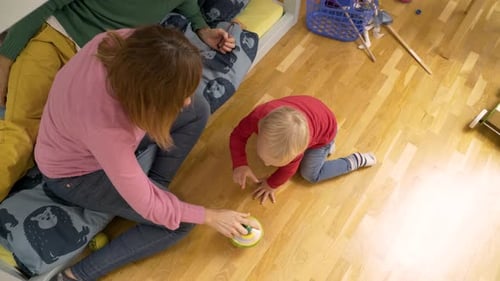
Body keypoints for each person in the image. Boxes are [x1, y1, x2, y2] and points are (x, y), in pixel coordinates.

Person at [33, 25, 255, 281]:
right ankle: (77, 275)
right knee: (178, 224)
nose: (185, 100)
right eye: (178, 95)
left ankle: (155, 185)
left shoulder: (120, 42)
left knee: (198, 108)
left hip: (85, 138)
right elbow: (113, 139)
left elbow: (181, 98)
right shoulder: (109, 129)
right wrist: (210, 216)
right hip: (73, 176)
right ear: (148, 97)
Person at [0, 0, 236, 201]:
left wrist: (202, 28)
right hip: (57, 39)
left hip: (107, 62)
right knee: (22, 134)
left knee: (64, 136)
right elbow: (42, 6)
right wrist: (4, 60)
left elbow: (187, 3)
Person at [229, 95, 377, 204]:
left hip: (324, 134)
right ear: (259, 128)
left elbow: (288, 170)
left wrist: (271, 184)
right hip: (314, 113)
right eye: (264, 159)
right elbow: (237, 135)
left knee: (310, 175)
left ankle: (352, 161)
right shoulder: (256, 117)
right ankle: (328, 144)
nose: (266, 165)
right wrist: (240, 163)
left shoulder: (297, 151)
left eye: (275, 163)